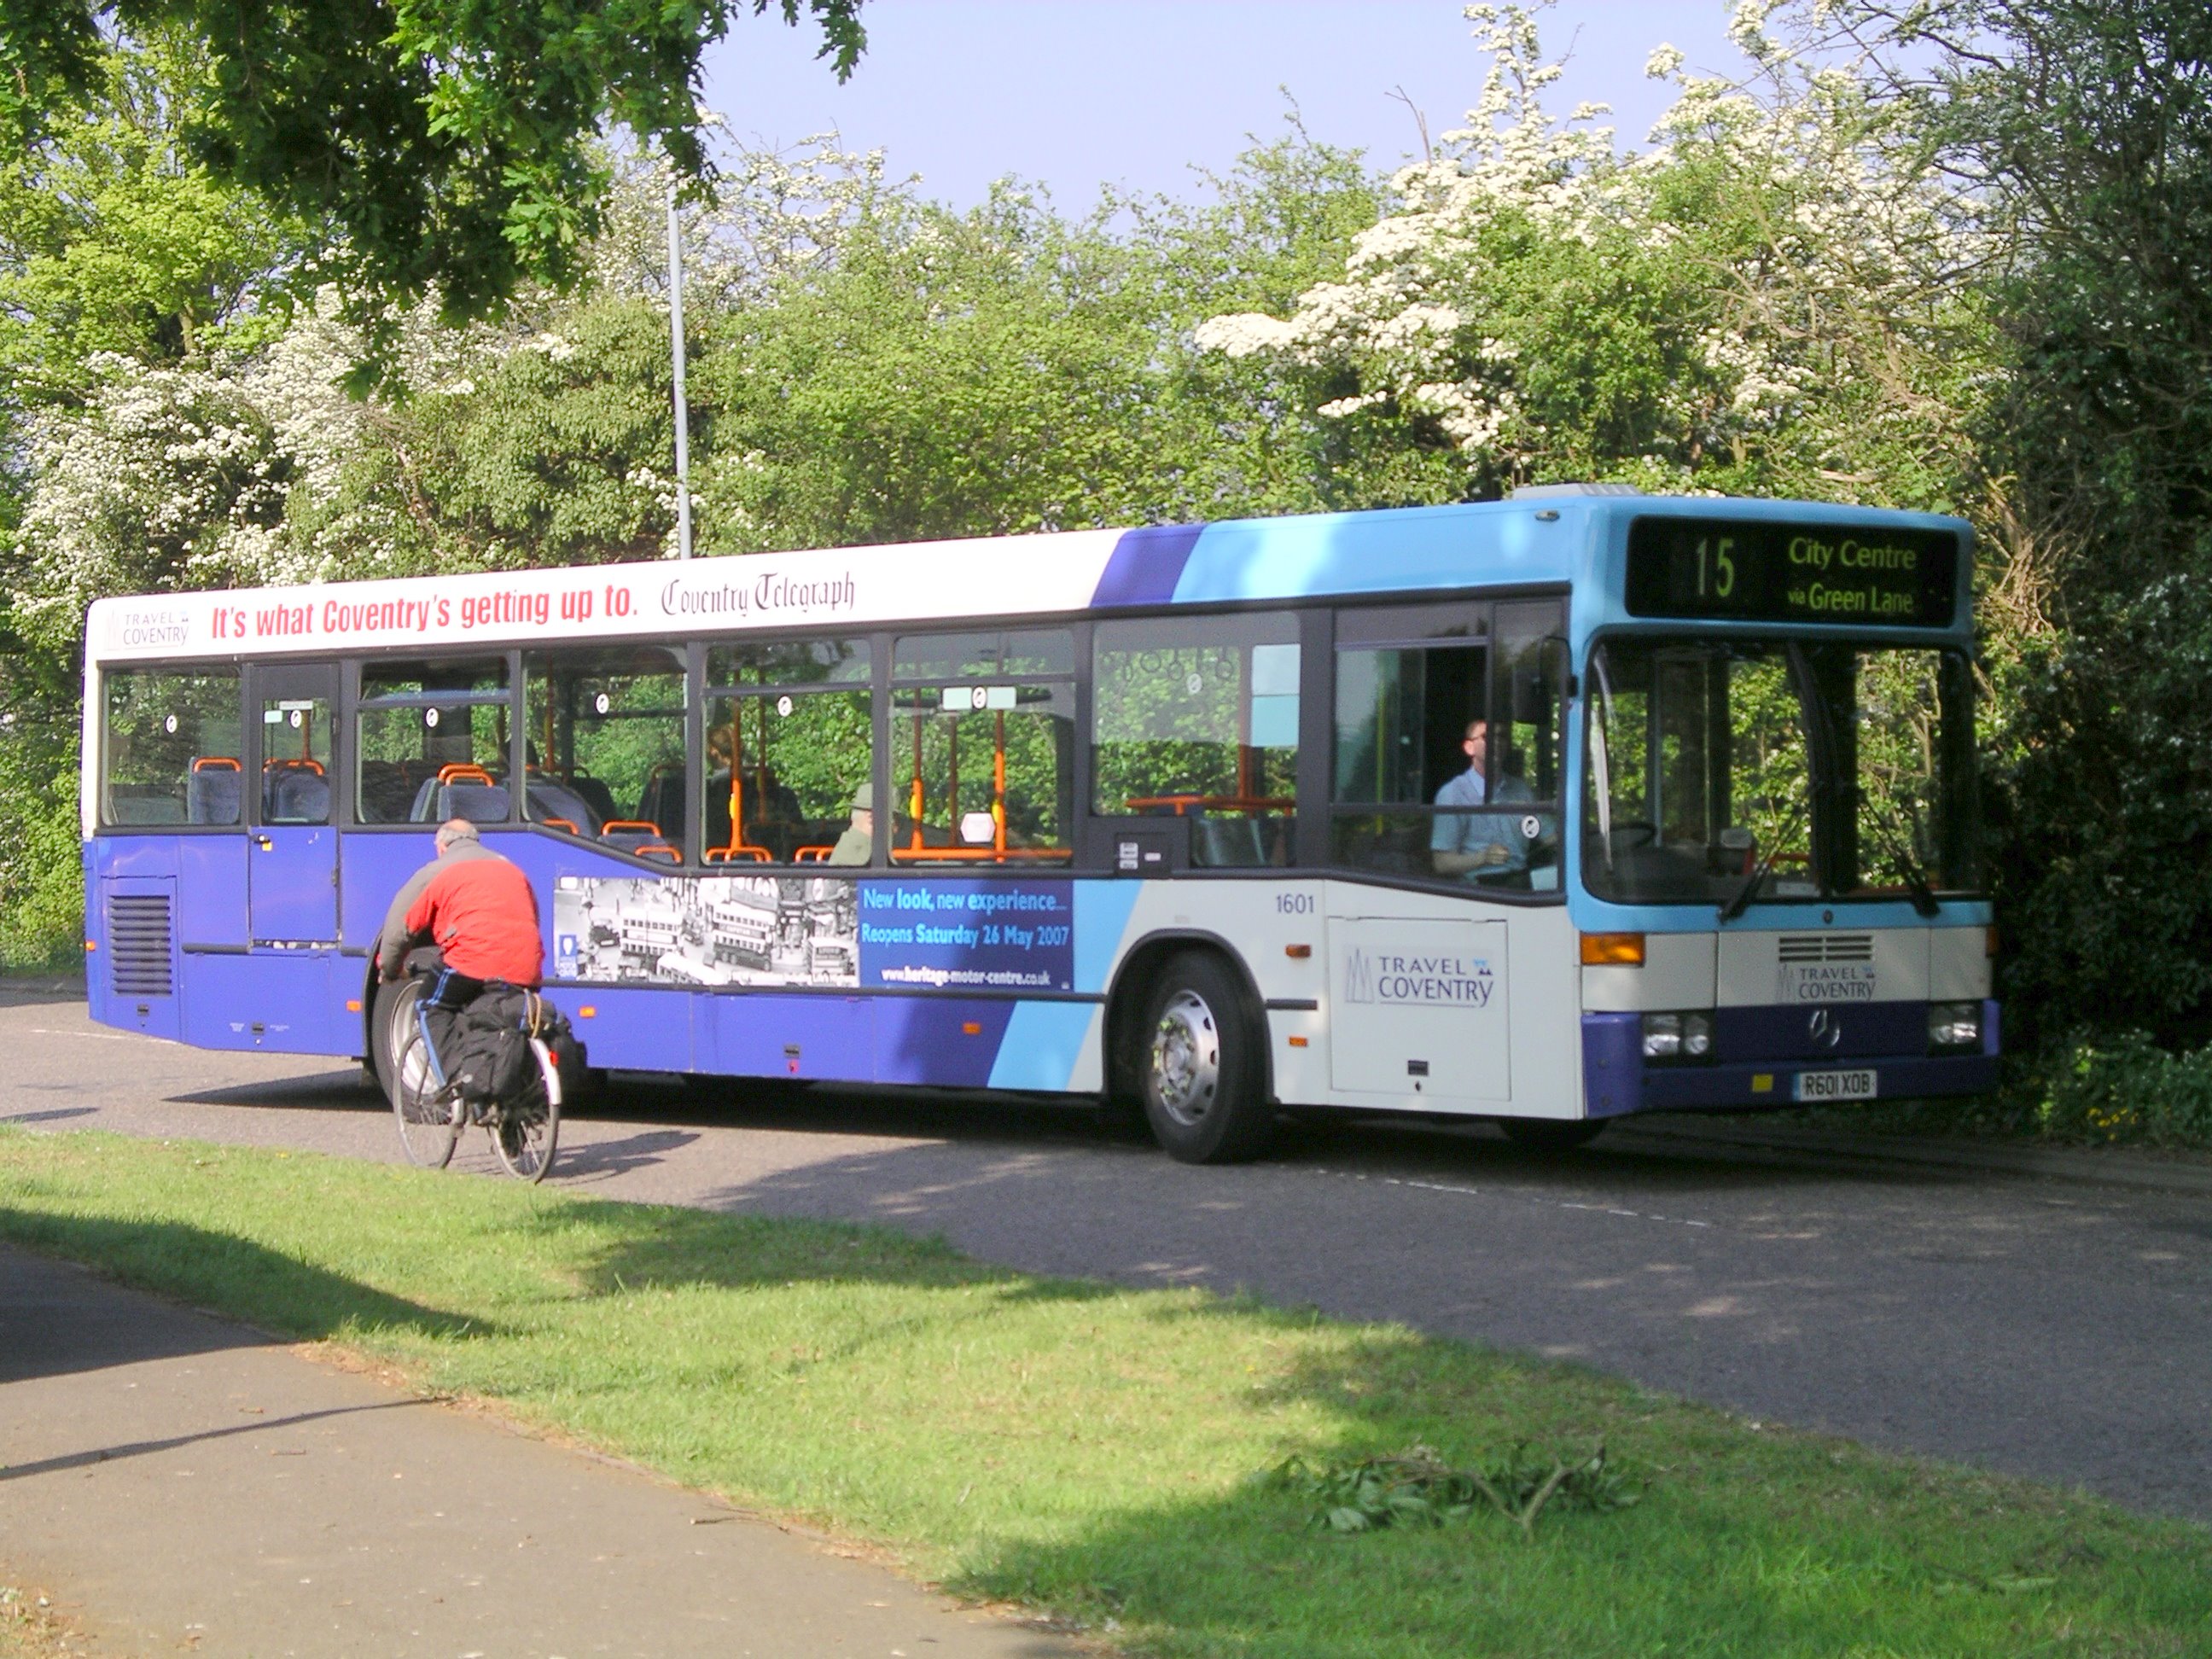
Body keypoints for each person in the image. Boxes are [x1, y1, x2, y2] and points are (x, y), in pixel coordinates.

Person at [378, 819, 544, 1097]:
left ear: (442, 847)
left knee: (430, 1005)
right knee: (504, 1014)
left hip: (471, 959)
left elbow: (400, 927)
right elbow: (532, 918)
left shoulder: (437, 871)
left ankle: (457, 1082)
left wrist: (390, 968)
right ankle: (509, 1107)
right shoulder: (512, 869)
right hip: (526, 963)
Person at [1431, 718, 1534, 881]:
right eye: (1487, 737)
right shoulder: (1452, 794)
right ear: (1469, 747)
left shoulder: (1521, 790)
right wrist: (1483, 857)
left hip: (1524, 884)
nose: (1497, 742)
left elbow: (1548, 836)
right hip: (1481, 891)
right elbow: (1442, 863)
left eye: (1502, 736)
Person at [827, 781, 873, 866]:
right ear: (871, 818)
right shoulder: (860, 853)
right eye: (893, 819)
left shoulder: (849, 844)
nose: (897, 828)